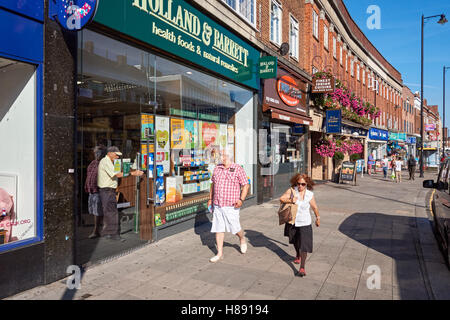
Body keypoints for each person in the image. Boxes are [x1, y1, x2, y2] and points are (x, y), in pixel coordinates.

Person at [208, 148, 250, 263]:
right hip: (218, 204)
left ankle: (242, 238)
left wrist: (241, 199)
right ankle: (219, 253)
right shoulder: (217, 168)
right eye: (221, 155)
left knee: (235, 227)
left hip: (232, 205)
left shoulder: (237, 168)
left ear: (229, 156)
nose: (222, 157)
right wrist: (210, 199)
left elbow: (246, 185)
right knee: (218, 228)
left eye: (224, 155)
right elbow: (213, 185)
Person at [98, 146, 143, 241]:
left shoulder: (109, 161)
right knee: (113, 212)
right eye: (116, 155)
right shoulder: (106, 162)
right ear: (110, 153)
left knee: (108, 212)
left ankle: (107, 232)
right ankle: (114, 234)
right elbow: (117, 174)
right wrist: (133, 173)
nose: (118, 157)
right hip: (107, 190)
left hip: (108, 190)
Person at [280, 174, 320, 277]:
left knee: (304, 245)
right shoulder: (293, 191)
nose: (301, 186)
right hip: (293, 221)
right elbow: (282, 199)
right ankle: (297, 254)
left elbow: (314, 207)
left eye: (303, 184)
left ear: (307, 184)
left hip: (305, 222)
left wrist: (317, 218)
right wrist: (291, 200)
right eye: (299, 184)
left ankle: (302, 267)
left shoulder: (309, 194)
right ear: (295, 183)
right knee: (294, 241)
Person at [84, 145, 106, 239]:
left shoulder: (105, 163)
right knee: (94, 211)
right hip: (91, 190)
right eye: (95, 153)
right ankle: (100, 229)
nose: (96, 154)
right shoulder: (93, 163)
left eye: (98, 153)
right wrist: (86, 185)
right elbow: (89, 174)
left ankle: (97, 231)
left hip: (99, 190)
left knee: (98, 211)